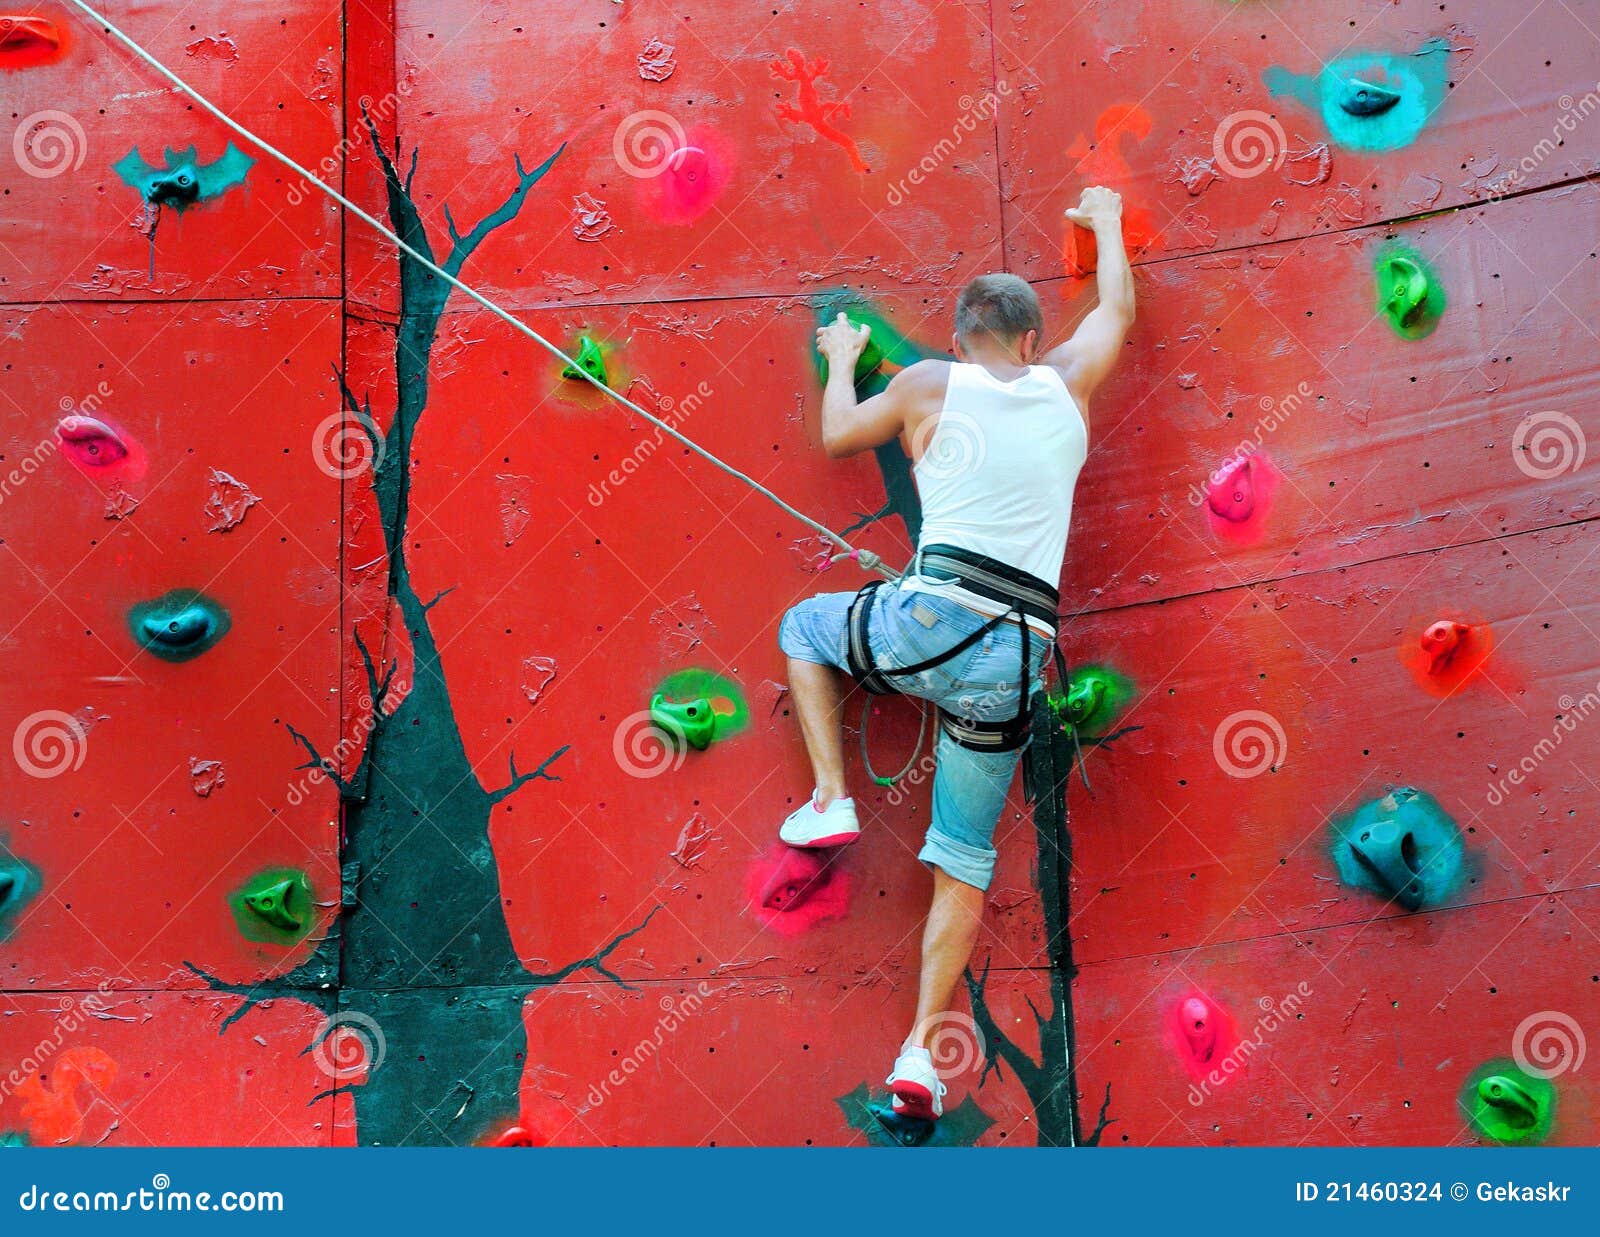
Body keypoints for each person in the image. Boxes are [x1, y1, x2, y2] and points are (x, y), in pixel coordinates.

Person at [774, 186, 1134, 1120]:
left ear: (963, 332)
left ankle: (829, 800)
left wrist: (847, 359)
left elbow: (837, 433)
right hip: (1017, 655)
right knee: (964, 856)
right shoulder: (1065, 385)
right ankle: (921, 1060)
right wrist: (1104, 220)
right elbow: (1117, 311)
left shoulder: (929, 384)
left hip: (927, 621)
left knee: (807, 628)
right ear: (1027, 340)